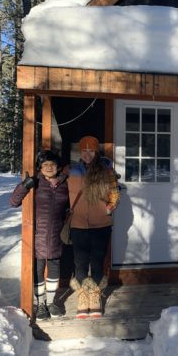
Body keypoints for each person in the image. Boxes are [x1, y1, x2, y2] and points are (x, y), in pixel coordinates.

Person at [10, 149, 69, 320]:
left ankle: (51, 302)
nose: (49, 167)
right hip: (37, 235)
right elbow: (13, 202)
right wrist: (24, 185)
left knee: (54, 269)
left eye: (52, 164)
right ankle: (40, 304)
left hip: (57, 234)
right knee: (37, 271)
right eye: (45, 164)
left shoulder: (66, 183)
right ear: (40, 167)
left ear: (58, 167)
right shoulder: (35, 182)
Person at [67, 136, 120, 318]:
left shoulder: (106, 170)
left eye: (91, 150)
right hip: (78, 224)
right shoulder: (72, 170)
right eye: (84, 150)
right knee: (80, 263)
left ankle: (95, 295)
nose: (87, 154)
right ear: (80, 152)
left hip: (101, 224)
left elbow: (115, 192)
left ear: (96, 152)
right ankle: (83, 296)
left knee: (97, 262)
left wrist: (109, 208)